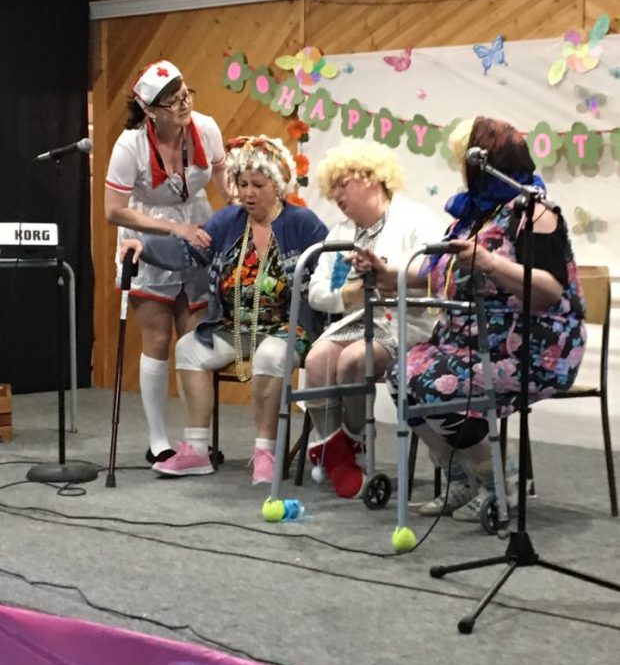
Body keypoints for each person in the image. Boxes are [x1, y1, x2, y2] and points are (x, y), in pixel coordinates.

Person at [353, 117, 586, 521]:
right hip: (468, 340)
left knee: (433, 385)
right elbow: (435, 274)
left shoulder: (533, 211)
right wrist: (386, 272)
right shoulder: (474, 215)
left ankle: (500, 479)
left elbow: (549, 290)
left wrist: (493, 264)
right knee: (400, 378)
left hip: (533, 345)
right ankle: (462, 474)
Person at [120, 135, 328, 484]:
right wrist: (142, 245)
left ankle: (265, 452)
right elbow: (189, 252)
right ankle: (197, 450)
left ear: (277, 185)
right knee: (188, 348)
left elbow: (329, 269)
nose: (248, 193)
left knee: (269, 356)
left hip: (288, 327)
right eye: (242, 184)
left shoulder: (303, 223)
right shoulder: (228, 220)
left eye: (258, 185)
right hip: (234, 325)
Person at [105, 60, 235, 466]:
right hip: (146, 233)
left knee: (195, 339)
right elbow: (114, 211)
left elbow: (222, 181)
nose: (184, 105)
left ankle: (195, 441)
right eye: (173, 101)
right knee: (158, 339)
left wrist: (243, 206)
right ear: (151, 111)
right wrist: (171, 229)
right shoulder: (130, 146)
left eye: (186, 95)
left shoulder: (207, 128)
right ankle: (158, 438)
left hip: (198, 231)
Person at [304, 139, 445, 498]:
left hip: (406, 321)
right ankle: (340, 452)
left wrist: (385, 278)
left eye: (342, 184)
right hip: (356, 320)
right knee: (317, 359)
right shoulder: (339, 234)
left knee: (353, 361)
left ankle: (350, 444)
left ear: (370, 177)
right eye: (331, 187)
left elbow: (435, 275)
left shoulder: (417, 219)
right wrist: (346, 295)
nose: (336, 194)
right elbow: (317, 292)